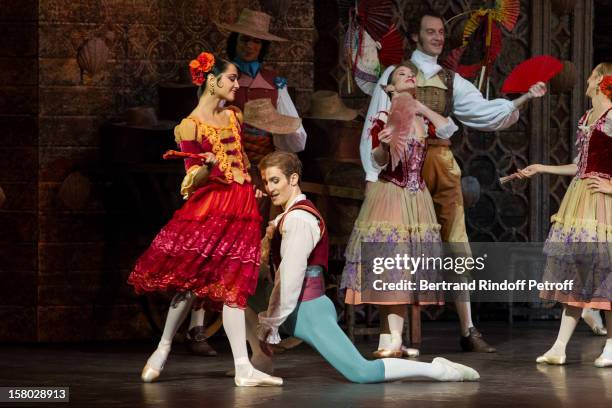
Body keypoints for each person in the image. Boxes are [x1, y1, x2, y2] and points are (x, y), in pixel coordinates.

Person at [354, 9, 547, 353]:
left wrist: (524, 98)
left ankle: (468, 328)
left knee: (456, 243)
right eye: (430, 31)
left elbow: (485, 113)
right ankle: (392, 335)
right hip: (399, 169)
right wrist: (372, 176)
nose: (437, 37)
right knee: (398, 247)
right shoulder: (396, 74)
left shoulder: (450, 79)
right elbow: (375, 125)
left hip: (440, 162)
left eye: (441, 32)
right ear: (416, 36)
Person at [256, 150, 480, 384]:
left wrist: (271, 323)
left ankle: (438, 370)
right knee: (239, 297)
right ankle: (257, 363)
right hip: (295, 305)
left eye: (275, 180)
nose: (270, 188)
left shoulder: (299, 220)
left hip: (308, 310)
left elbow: (291, 278)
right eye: (265, 181)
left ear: (293, 179)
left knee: (362, 372)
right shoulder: (289, 215)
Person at [127, 51, 282, 386]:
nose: (236, 85)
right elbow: (190, 179)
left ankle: (243, 367)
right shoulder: (190, 125)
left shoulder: (234, 116)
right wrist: (208, 167)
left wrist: (251, 185)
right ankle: (164, 347)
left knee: (232, 288)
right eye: (231, 79)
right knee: (189, 283)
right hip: (210, 208)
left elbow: (241, 161)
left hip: (240, 208)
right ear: (212, 81)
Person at [186, 9, 308, 355]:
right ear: (235, 41)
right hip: (228, 171)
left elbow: (294, 135)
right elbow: (205, 124)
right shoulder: (222, 78)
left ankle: (260, 326)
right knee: (215, 246)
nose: (252, 45)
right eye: (246, 38)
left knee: (259, 248)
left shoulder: (273, 82)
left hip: (262, 174)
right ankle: (197, 328)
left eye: (257, 40)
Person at [342, 61, 456, 358]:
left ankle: (389, 339)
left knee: (403, 268)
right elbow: (379, 161)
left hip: (417, 199)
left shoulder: (420, 118)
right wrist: (382, 145)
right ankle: (393, 338)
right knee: (393, 267)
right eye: (401, 74)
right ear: (390, 87)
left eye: (411, 74)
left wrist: (421, 107)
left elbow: (448, 129)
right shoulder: (385, 115)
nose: (409, 76)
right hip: (391, 195)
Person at [516, 63, 612, 368]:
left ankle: (611, 345)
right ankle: (559, 347)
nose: (586, 79)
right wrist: (542, 168)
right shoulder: (587, 118)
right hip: (580, 199)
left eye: (592, 74)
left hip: (603, 203)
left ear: (600, 81)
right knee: (577, 272)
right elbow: (580, 165)